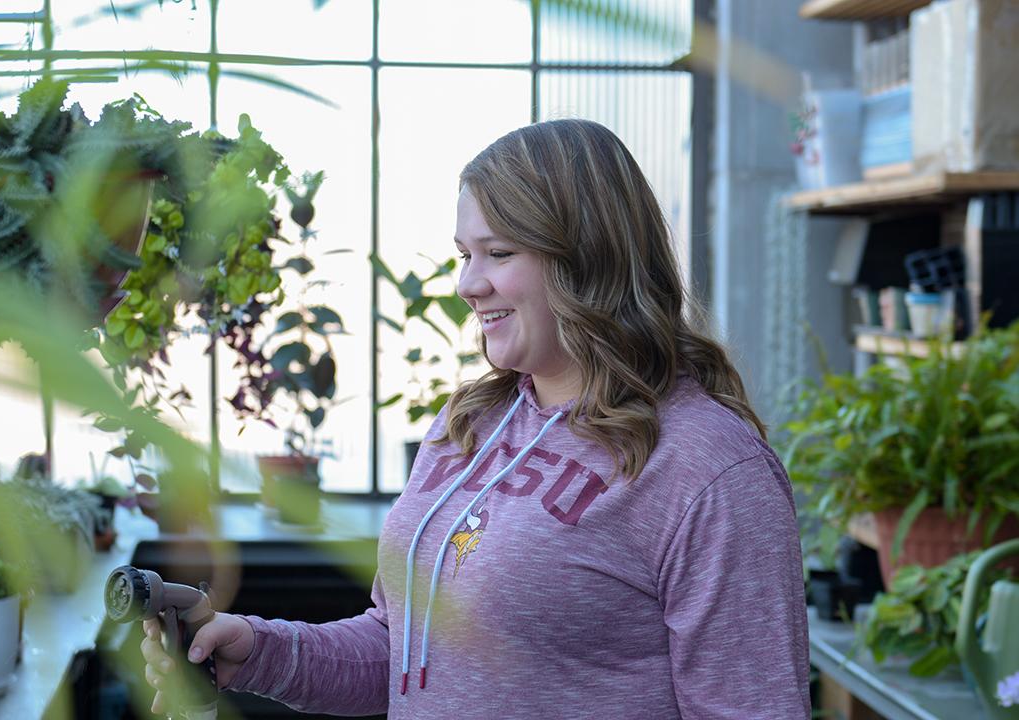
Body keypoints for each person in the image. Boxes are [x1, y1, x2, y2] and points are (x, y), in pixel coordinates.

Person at [140, 118, 811, 718]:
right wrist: (256, 648)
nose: (467, 284)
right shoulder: (470, 425)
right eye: (465, 254)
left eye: (499, 252)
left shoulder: (709, 470)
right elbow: (400, 653)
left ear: (587, 258)